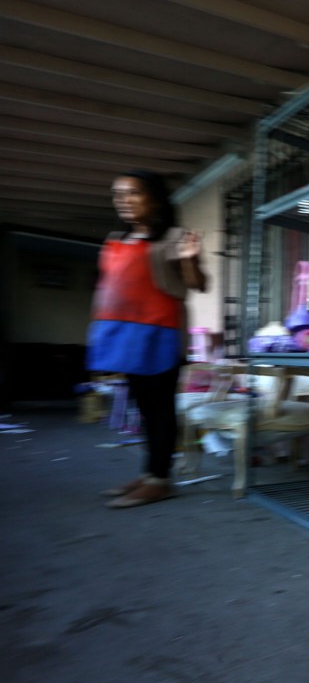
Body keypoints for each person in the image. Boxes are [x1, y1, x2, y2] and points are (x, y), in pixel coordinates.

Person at [87, 170, 208, 508]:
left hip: (159, 335)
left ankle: (160, 479)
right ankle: (149, 472)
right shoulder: (116, 241)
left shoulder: (172, 238)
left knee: (160, 409)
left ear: (154, 200)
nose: (123, 200)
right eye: (118, 194)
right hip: (123, 334)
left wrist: (189, 259)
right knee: (143, 409)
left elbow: (197, 283)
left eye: (133, 193)